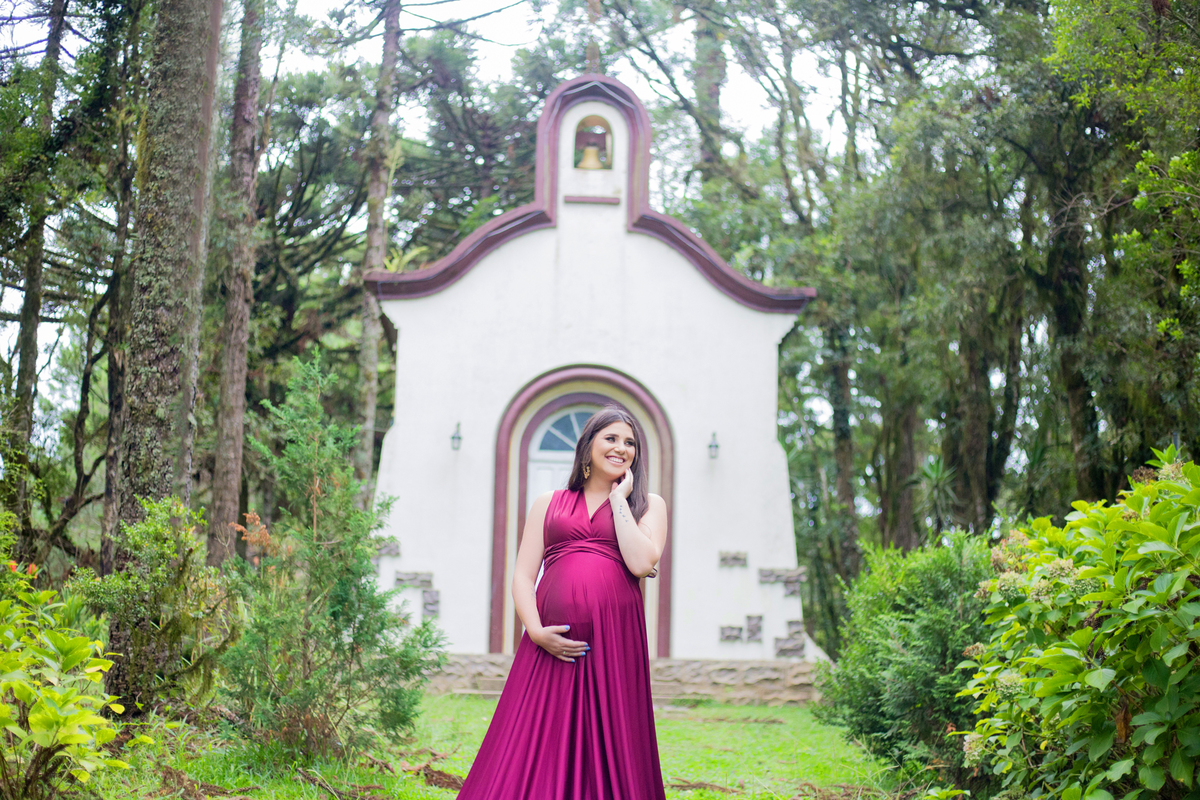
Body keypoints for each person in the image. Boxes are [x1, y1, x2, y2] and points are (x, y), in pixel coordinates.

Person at [456, 406, 669, 800]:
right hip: (549, 643)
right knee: (535, 737)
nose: (621, 448)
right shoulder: (548, 502)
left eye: (630, 443)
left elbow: (641, 562)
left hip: (614, 642)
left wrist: (620, 499)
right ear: (588, 444)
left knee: (611, 735)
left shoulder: (648, 505)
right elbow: (522, 575)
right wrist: (535, 631)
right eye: (611, 438)